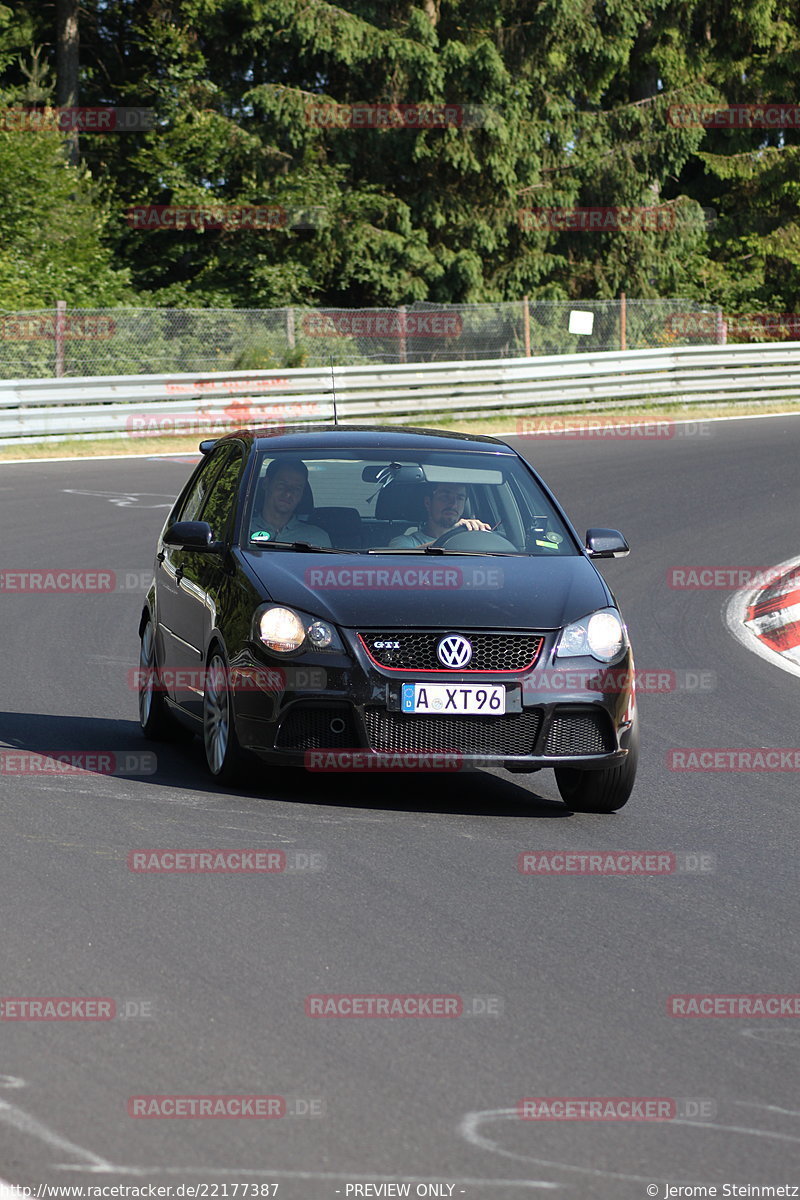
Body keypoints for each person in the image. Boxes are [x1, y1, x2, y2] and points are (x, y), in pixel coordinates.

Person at [249, 457, 331, 547]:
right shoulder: (242, 532)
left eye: (296, 489)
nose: (288, 493)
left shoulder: (317, 538)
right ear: (266, 484)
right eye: (282, 485)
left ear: (302, 495)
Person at [388, 482, 491, 548]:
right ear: (428, 503)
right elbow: (403, 563)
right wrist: (451, 535)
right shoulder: (403, 542)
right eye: (445, 497)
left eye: (460, 498)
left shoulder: (473, 542)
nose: (453, 504)